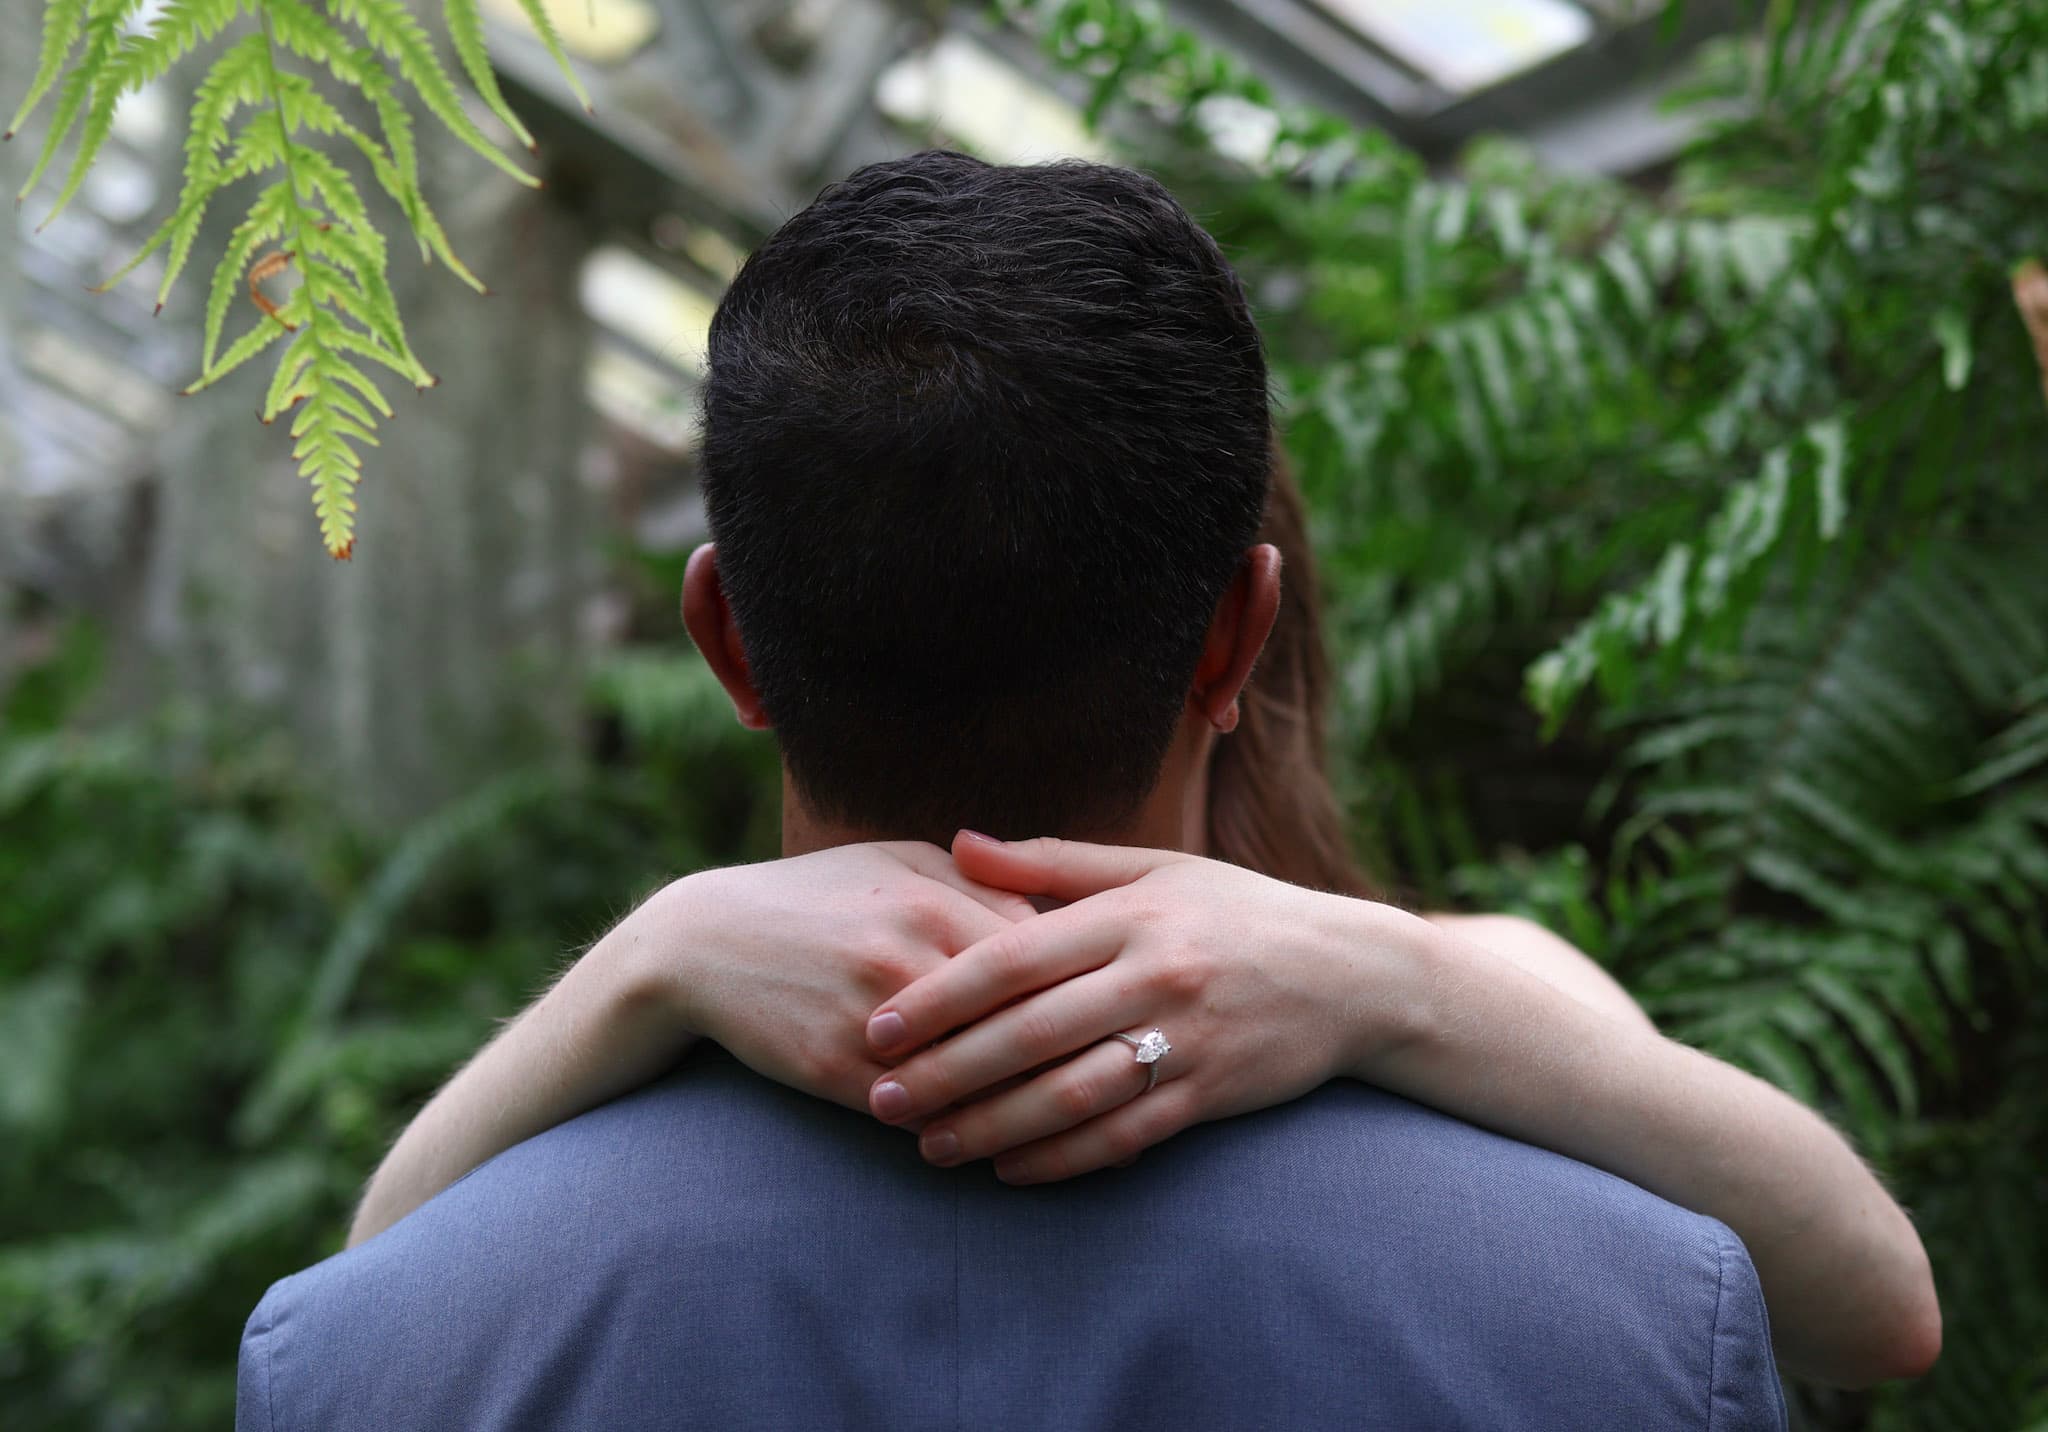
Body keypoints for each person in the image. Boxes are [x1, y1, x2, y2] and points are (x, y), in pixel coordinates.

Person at [237, 152, 1902, 1430]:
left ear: (725, 645)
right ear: (1240, 631)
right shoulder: (1626, 1296)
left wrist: (650, 955)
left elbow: (364, 1287)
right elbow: (1874, 1312)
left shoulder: (386, 1347)